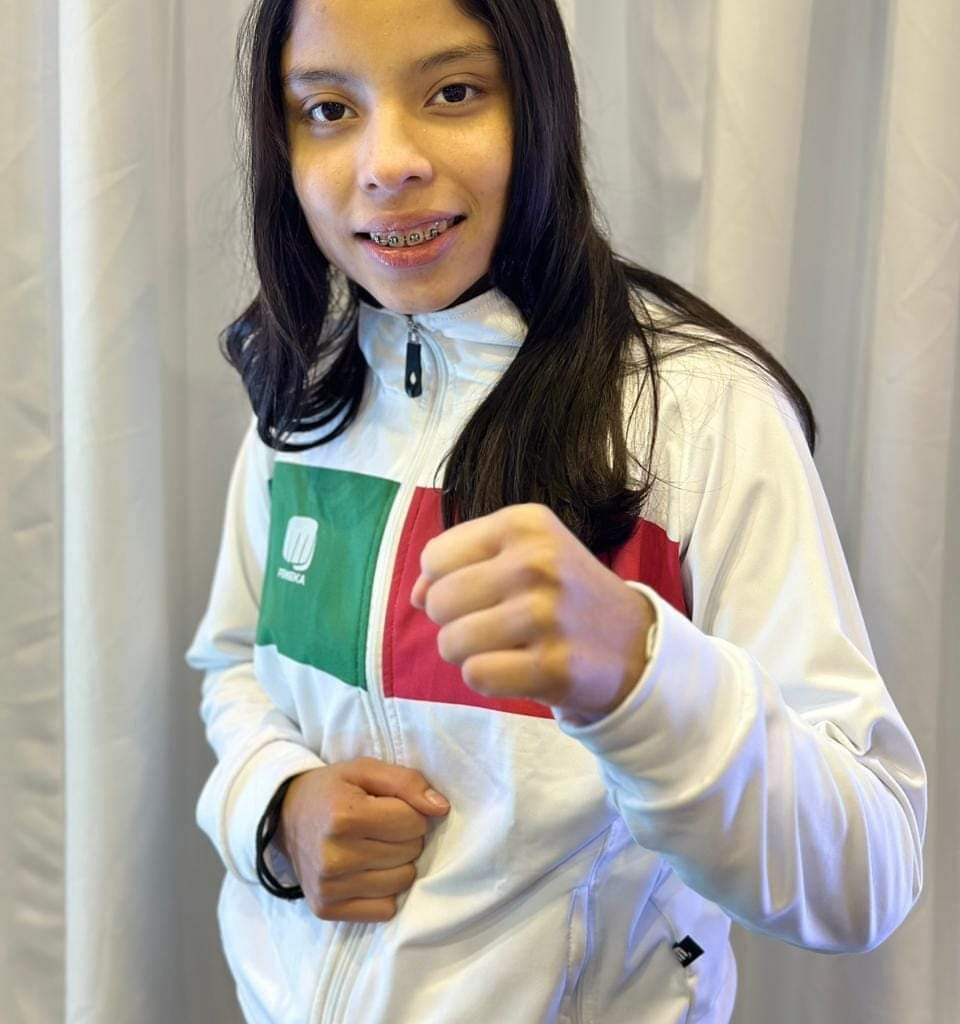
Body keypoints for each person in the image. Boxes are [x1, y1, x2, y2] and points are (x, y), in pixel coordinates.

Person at [184, 0, 927, 1021]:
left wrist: (640, 673)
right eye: (328, 109)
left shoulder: (699, 413)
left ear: (538, 105)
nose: (387, 163)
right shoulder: (308, 398)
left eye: (453, 92)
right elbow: (234, 664)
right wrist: (275, 807)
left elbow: (868, 876)